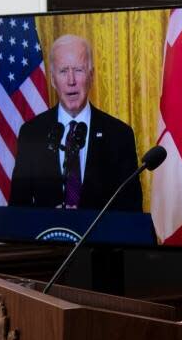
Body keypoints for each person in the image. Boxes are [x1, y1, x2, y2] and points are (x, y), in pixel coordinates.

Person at [9, 34, 142, 212]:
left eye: (78, 70)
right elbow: (17, 209)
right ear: (53, 80)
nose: (71, 81)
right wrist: (48, 220)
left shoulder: (119, 135)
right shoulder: (31, 133)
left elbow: (131, 210)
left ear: (91, 76)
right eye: (63, 71)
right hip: (47, 239)